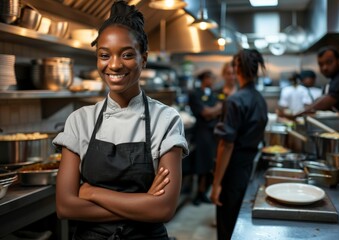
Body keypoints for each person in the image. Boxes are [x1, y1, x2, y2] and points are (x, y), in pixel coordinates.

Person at [53, 1, 188, 239]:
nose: (114, 65)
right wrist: (144, 203)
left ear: (143, 59)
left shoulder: (165, 120)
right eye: (104, 55)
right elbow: (65, 206)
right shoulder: (79, 121)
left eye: (126, 55)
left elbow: (164, 208)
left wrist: (92, 192)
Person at [211, 49, 268, 240]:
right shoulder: (259, 98)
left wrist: (216, 183)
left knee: (228, 224)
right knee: (239, 221)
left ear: (237, 68)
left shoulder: (235, 100)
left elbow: (226, 145)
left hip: (233, 168)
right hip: (249, 165)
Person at [295, 46, 339, 124]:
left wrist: (297, 115)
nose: (324, 67)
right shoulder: (334, 79)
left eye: (329, 62)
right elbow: (322, 99)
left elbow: (325, 103)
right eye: (321, 64)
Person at [188, 70, 222, 206]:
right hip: (202, 133)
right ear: (205, 79)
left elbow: (217, 110)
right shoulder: (195, 94)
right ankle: (197, 194)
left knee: (210, 165)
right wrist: (216, 109)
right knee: (201, 164)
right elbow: (205, 113)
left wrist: (213, 111)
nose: (213, 81)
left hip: (214, 132)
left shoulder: (213, 94)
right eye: (211, 78)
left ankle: (203, 193)